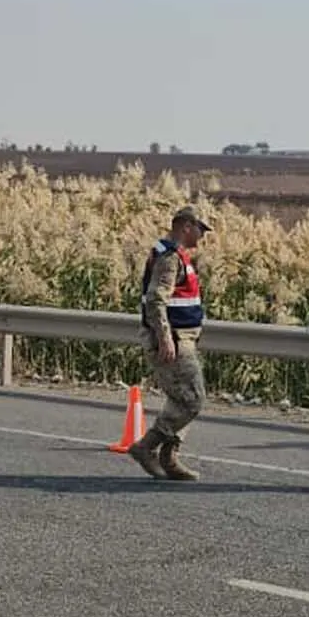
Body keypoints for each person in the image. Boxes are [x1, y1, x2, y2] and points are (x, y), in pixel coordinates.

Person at [127, 206, 211, 481]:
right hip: (173, 339)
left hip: (182, 338)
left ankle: (169, 457)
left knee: (181, 399)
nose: (202, 235)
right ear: (186, 226)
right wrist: (164, 338)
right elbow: (155, 299)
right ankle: (146, 446)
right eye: (200, 228)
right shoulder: (169, 257)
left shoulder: (179, 257)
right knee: (193, 399)